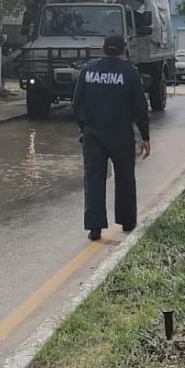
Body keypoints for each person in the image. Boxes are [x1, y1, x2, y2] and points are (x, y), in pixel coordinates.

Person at [72, 35, 151, 241]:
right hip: (121, 136)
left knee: (94, 180)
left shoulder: (88, 70)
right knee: (125, 178)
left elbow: (76, 103)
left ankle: (95, 228)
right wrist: (145, 136)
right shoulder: (129, 72)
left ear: (103, 49)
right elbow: (140, 107)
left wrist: (84, 128)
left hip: (93, 136)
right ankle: (127, 221)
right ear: (124, 50)